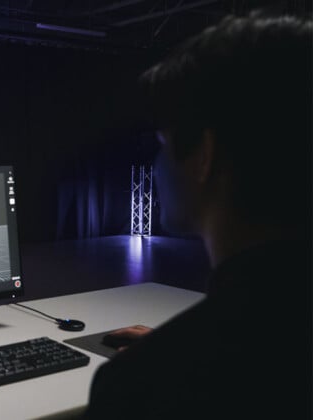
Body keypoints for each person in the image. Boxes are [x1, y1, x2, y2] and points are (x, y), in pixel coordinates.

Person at [84, 13, 311, 419]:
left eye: (163, 143)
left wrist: (175, 353)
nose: (157, 163)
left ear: (203, 155)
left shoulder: (141, 386)